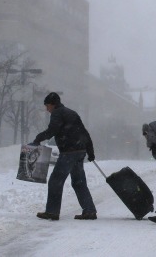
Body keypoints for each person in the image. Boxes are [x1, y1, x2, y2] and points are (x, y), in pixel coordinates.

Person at [31, 92, 97, 221]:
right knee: (79, 183)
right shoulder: (72, 113)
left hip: (69, 152)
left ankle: (52, 212)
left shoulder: (58, 113)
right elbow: (84, 133)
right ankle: (89, 211)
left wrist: (38, 138)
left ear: (52, 104)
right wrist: (90, 151)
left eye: (47, 106)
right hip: (79, 151)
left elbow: (52, 130)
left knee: (55, 181)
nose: (47, 109)